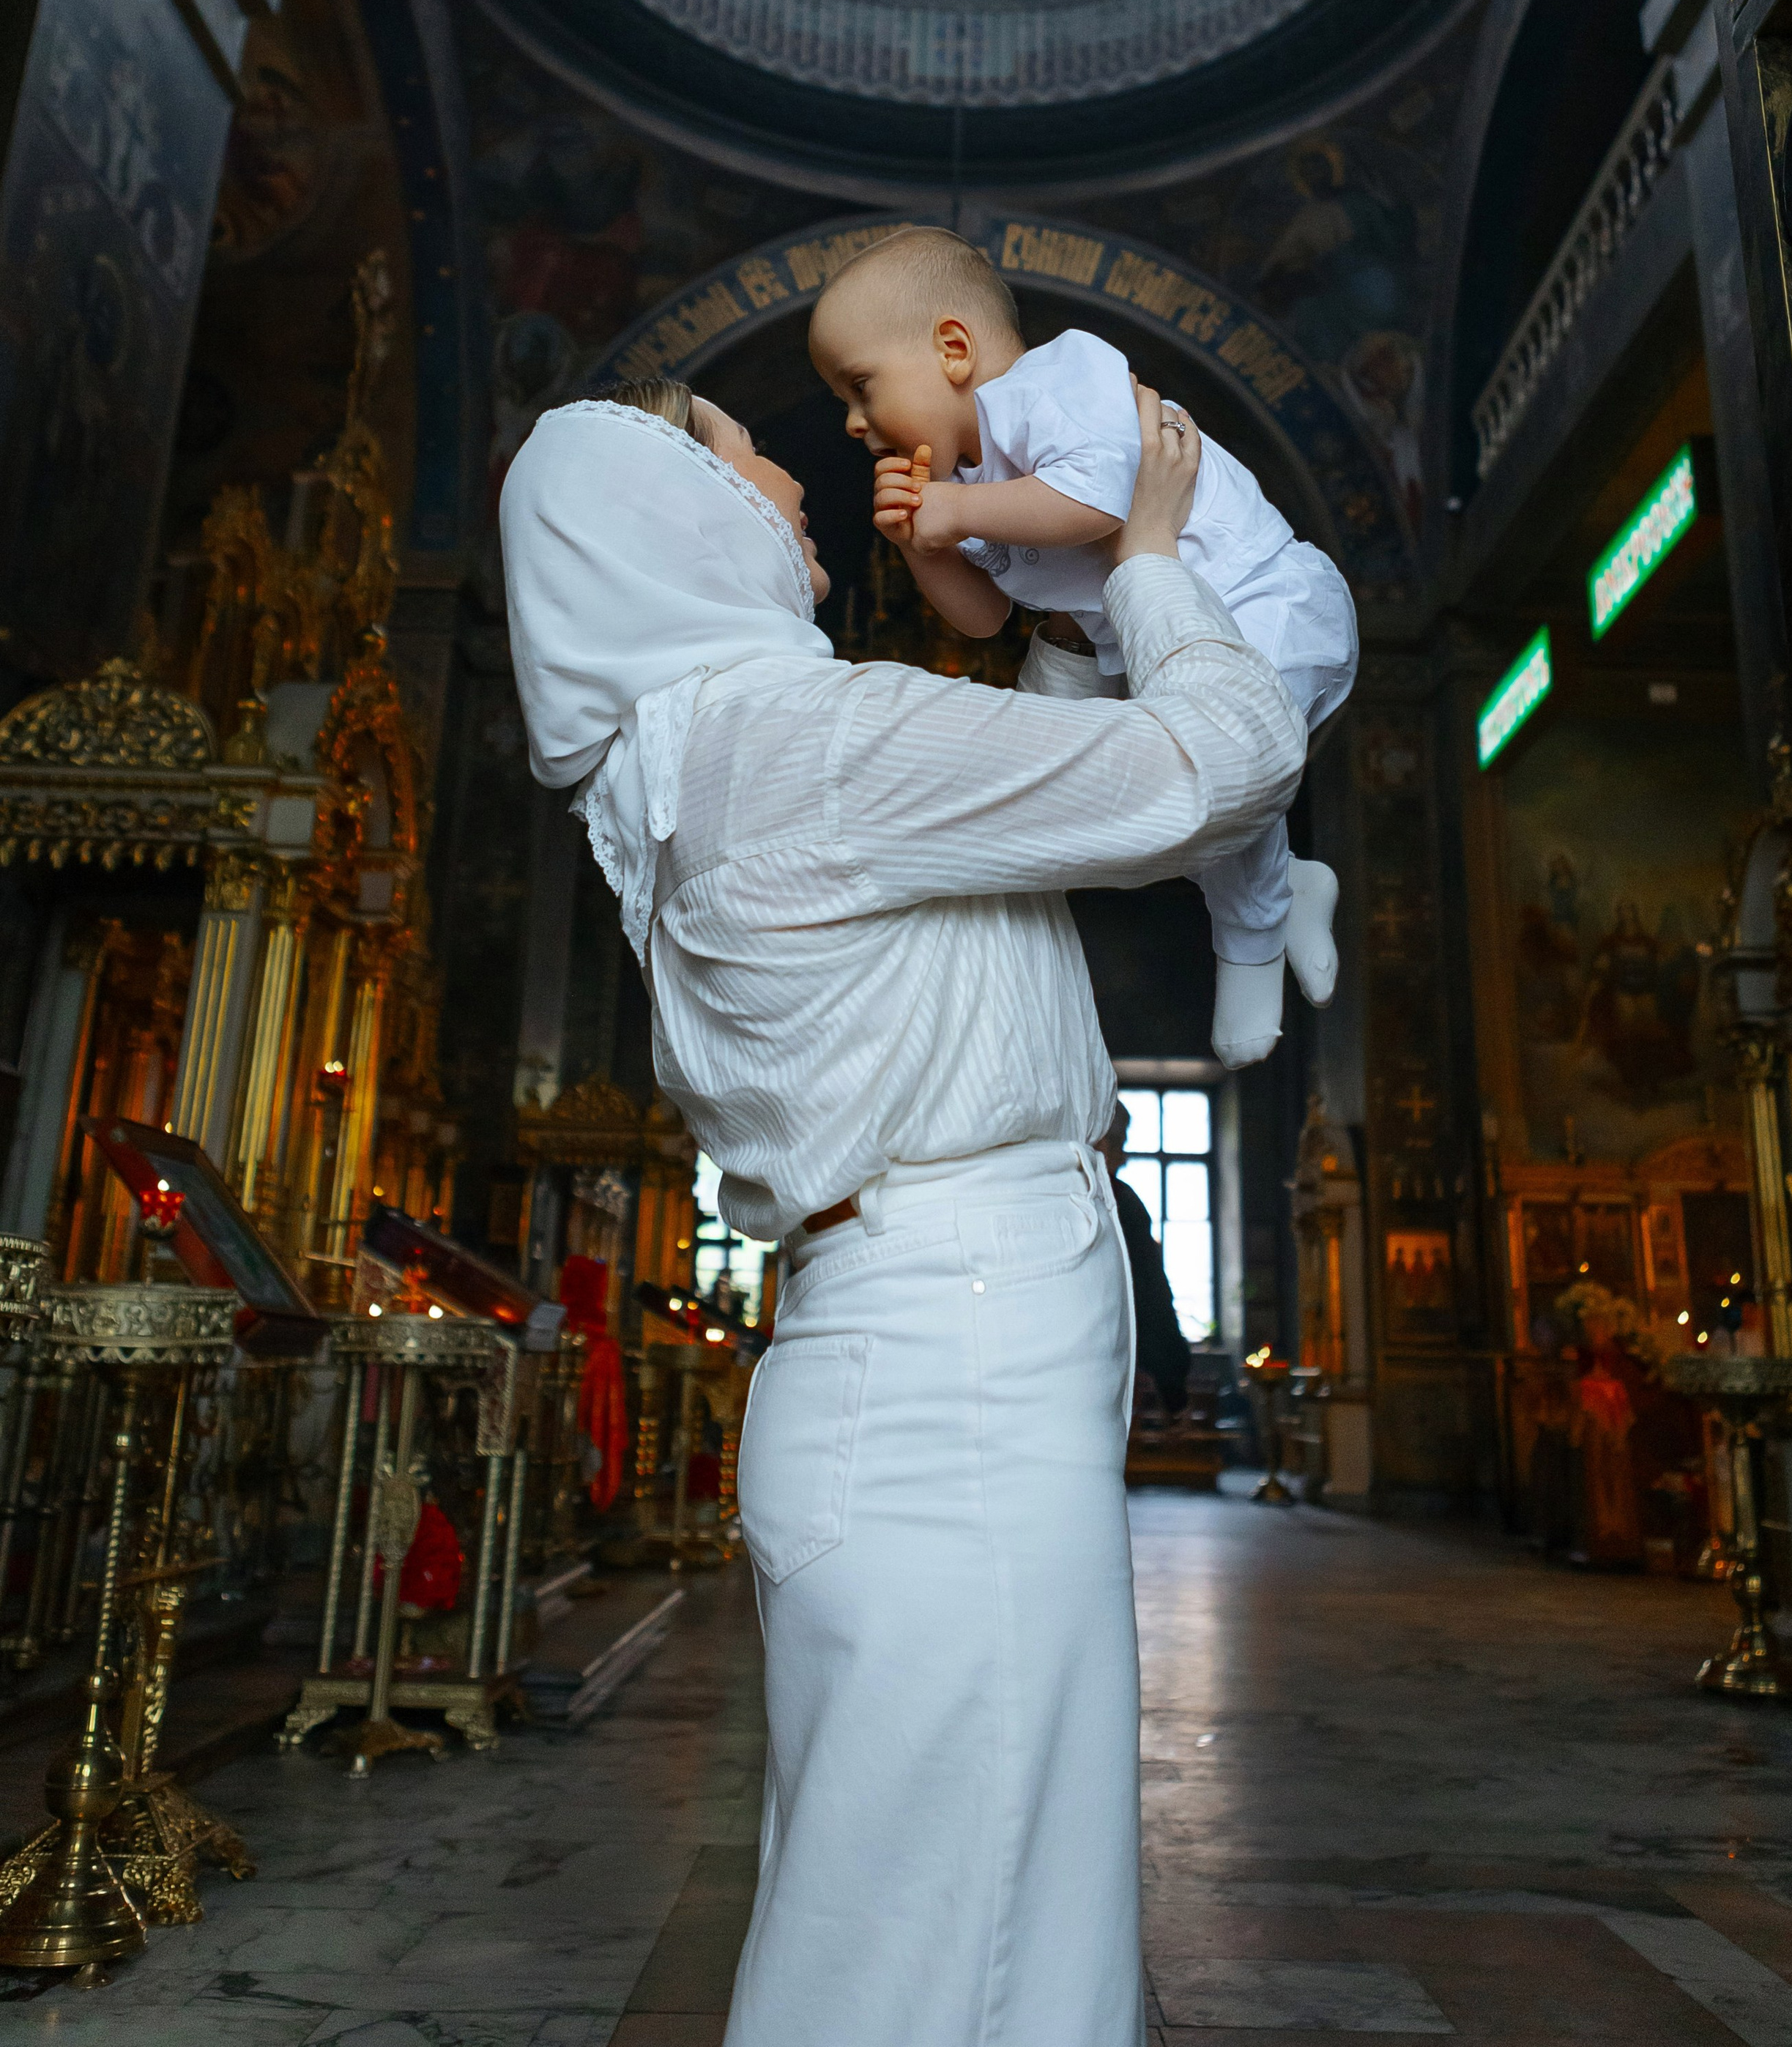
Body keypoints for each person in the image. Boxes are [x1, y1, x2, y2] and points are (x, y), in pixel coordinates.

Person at [499, 365, 1304, 2047]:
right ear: (668, 521)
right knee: (947, 1934)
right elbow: (1217, 757)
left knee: (962, 1907)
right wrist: (1148, 557)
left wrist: (1055, 609)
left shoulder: (719, 751)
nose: (792, 487)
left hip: (931, 1335)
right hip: (957, 1345)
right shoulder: (797, 735)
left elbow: (1052, 768)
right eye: (745, 465)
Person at [808, 226, 1357, 1066]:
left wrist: (952, 517)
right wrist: (920, 546)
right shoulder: (966, 483)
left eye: (860, 387)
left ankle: (1250, 937)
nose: (852, 423)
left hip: (1264, 604)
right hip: (1163, 643)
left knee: (1228, 774)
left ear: (952, 349)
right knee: (1182, 803)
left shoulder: (1056, 379)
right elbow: (985, 618)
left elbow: (1100, 504)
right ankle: (1288, 890)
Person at [1098, 1108, 1191, 1419]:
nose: (1123, 1159)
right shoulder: (1118, 1202)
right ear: (1098, 1142)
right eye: (1119, 1144)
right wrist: (1173, 1386)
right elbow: (1150, 1298)